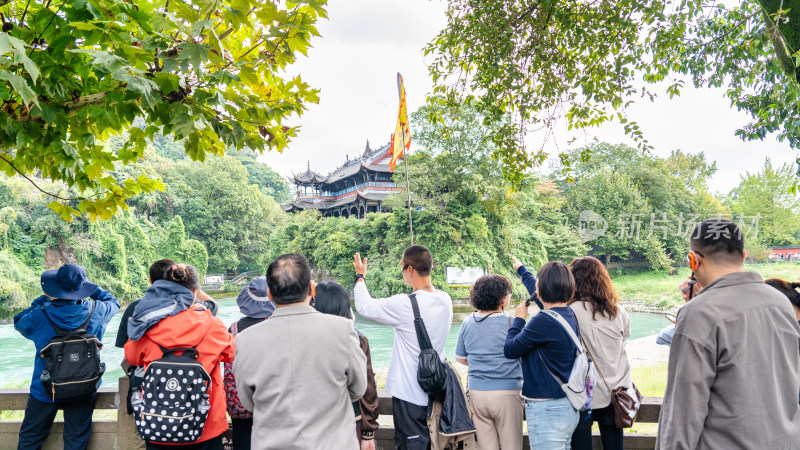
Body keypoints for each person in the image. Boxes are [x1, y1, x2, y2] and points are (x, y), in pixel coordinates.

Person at [656, 219, 800, 450]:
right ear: (744, 256)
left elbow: (683, 412)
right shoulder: (781, 304)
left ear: (694, 260)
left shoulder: (698, 315)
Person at [233, 254, 367, 450]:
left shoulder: (245, 339)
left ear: (269, 294)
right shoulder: (343, 330)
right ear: (312, 289)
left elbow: (247, 401)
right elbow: (358, 388)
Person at [352, 245, 453, 450]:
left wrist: (360, 277)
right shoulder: (446, 300)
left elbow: (364, 306)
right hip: (437, 391)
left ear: (409, 269)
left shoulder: (404, 304)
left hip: (409, 395)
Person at [125, 264, 235, 450]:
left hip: (158, 423)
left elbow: (132, 356)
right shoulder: (212, 324)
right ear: (194, 291)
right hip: (205, 424)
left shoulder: (146, 323)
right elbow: (230, 353)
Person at [14, 263, 120, 450]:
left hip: (45, 389)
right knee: (76, 439)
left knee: (31, 437)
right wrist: (87, 286)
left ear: (54, 288)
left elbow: (19, 321)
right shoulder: (98, 310)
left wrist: (43, 299)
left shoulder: (40, 314)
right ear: (82, 289)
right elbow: (113, 301)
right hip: (84, 386)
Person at [505, 261, 580, 450]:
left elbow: (511, 350)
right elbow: (541, 297)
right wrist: (522, 270)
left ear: (542, 288)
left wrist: (518, 320)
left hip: (547, 408)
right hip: (567, 404)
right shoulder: (567, 313)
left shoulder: (542, 321)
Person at [567, 256, 632, 450]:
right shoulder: (618, 312)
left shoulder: (570, 312)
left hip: (582, 394)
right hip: (615, 392)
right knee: (614, 446)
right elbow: (624, 342)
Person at [455, 274, 523, 450]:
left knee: (485, 446)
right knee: (511, 445)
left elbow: (460, 358)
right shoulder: (513, 323)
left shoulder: (468, 322)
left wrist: (481, 362)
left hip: (477, 393)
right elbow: (523, 358)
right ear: (501, 298)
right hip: (507, 393)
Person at [312, 281, 380, 449]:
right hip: (349, 419)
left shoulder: (305, 338)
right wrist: (368, 432)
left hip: (312, 422)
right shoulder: (357, 339)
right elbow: (367, 388)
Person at [223, 277, 274, 450]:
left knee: (242, 437)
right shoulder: (278, 327)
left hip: (239, 401)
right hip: (271, 400)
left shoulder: (233, 328)